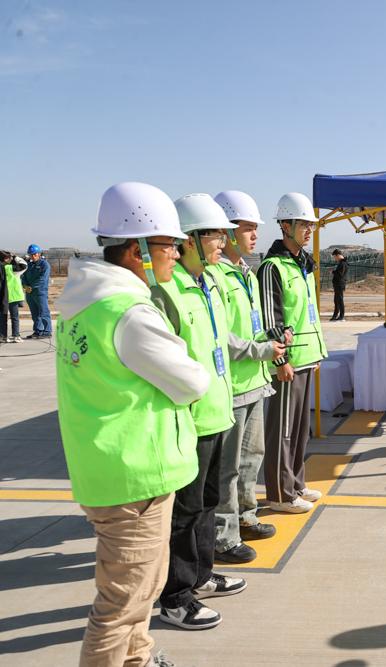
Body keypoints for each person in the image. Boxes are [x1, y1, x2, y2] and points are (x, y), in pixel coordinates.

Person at [55, 181, 209, 667]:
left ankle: (137, 659)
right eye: (169, 244)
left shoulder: (86, 305)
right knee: (120, 606)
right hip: (134, 476)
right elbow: (192, 381)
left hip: (110, 469)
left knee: (141, 590)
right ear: (137, 249)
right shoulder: (130, 313)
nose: (176, 253)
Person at [151, 194, 247, 630]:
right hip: (190, 419)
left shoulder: (208, 282)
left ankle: (202, 576)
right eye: (215, 235)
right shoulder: (166, 290)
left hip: (217, 411)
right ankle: (175, 597)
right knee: (185, 512)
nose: (223, 243)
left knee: (208, 502)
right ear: (188, 239)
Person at [209, 190, 288, 563]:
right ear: (225, 232)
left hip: (255, 380)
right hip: (233, 385)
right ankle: (223, 536)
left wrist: (274, 341)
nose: (255, 235)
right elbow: (221, 335)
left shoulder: (246, 273)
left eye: (256, 228)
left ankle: (245, 516)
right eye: (247, 228)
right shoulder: (215, 275)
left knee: (251, 457)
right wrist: (261, 351)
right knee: (227, 467)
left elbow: (252, 325)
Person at [258, 192, 329, 513]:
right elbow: (272, 318)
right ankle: (279, 494)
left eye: (311, 225)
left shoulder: (302, 266)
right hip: (288, 362)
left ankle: (296, 484)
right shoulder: (272, 267)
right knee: (282, 432)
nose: (309, 230)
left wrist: (316, 352)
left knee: (299, 431)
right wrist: (281, 360)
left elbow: (307, 315)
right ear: (285, 226)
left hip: (306, 357)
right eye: (303, 224)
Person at [22, 243, 52, 338]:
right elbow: (23, 276)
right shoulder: (29, 265)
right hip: (30, 293)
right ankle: (38, 330)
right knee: (34, 313)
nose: (33, 256)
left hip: (40, 292)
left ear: (39, 254)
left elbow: (42, 279)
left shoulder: (44, 265)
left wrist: (31, 286)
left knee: (43, 311)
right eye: (31, 254)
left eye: (35, 254)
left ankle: (47, 331)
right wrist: (25, 285)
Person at [1, 251, 27, 342]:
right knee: (14, 317)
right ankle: (16, 336)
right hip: (13, 296)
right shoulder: (11, 268)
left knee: (3, 317)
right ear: (5, 259)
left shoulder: (2, 267)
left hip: (2, 296)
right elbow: (24, 265)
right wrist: (15, 257)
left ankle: (3, 336)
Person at [329, 249, 348, 321]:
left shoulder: (343, 263)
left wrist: (333, 272)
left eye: (335, 257)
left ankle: (341, 316)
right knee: (336, 300)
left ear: (338, 255)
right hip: (337, 284)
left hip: (340, 284)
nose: (335, 259)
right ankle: (335, 315)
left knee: (339, 300)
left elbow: (340, 274)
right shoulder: (341, 263)